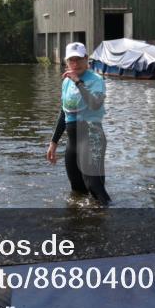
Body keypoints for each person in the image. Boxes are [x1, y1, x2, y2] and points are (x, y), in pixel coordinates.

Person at [46, 42, 111, 205]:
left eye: (78, 59)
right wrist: (53, 142)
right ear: (66, 62)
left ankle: (109, 222)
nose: (75, 64)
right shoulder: (66, 82)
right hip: (73, 143)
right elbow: (64, 113)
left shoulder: (96, 80)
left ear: (86, 59)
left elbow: (95, 104)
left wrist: (77, 82)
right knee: (77, 190)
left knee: (95, 187)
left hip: (92, 138)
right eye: (71, 60)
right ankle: (79, 227)